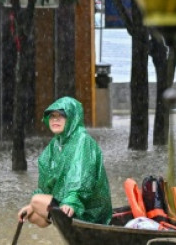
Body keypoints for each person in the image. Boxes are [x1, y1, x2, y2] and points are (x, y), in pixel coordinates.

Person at [17, 96, 112, 227]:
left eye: (61, 116)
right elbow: (46, 183)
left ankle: (66, 217)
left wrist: (72, 201)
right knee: (33, 216)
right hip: (65, 203)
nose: (55, 119)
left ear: (72, 118)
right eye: (52, 116)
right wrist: (31, 207)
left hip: (89, 209)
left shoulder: (82, 140)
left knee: (36, 200)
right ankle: (62, 217)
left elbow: (83, 177)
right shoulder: (54, 145)